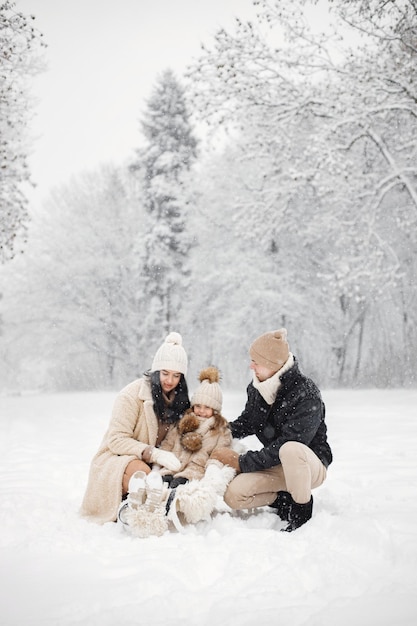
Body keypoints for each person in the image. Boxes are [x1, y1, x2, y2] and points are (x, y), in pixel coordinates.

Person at [210, 328, 333, 532]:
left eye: (256, 361)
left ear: (273, 364)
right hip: (277, 464)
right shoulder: (257, 388)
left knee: (290, 449)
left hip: (309, 465)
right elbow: (248, 421)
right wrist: (216, 432)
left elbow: (289, 444)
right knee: (234, 495)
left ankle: (301, 510)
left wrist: (241, 462)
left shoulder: (306, 393)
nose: (251, 366)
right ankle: (283, 498)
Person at [80, 331, 190, 524]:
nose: (170, 381)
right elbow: (116, 440)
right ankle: (139, 509)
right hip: (117, 458)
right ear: (156, 371)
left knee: (165, 477)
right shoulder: (131, 395)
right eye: (165, 373)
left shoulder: (180, 401)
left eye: (176, 375)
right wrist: (152, 453)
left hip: (157, 464)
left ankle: (153, 503)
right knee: (143, 474)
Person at [117, 366, 235, 537]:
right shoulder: (183, 423)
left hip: (194, 470)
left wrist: (212, 470)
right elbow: (168, 443)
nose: (201, 411)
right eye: (198, 406)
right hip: (173, 465)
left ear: (215, 410)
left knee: (176, 485)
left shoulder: (220, 430)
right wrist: (159, 463)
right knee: (161, 481)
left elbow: (219, 452)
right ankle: (141, 503)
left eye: (207, 407)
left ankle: (164, 508)